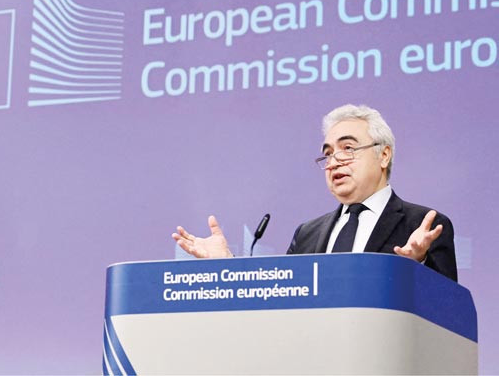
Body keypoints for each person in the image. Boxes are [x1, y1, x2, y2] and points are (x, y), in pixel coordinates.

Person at [172, 104, 457, 281]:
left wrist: (417, 266)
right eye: (328, 153)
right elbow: (279, 299)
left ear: (384, 155)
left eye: (348, 148)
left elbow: (448, 315)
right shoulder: (307, 233)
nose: (333, 162)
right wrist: (227, 267)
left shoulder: (423, 226)